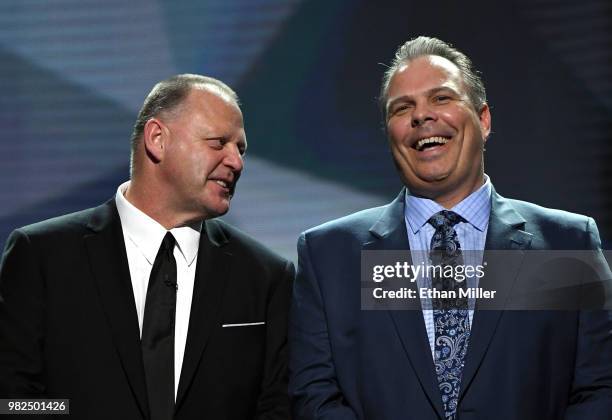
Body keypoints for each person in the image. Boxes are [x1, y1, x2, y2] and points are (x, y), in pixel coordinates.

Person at [289, 37, 612, 419]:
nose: (421, 116)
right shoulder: (328, 254)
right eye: (402, 107)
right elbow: (314, 397)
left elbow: (600, 387)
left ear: (484, 119)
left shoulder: (567, 241)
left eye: (441, 98)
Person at [0, 74, 293, 420]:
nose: (237, 162)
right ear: (157, 139)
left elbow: (276, 408)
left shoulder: (265, 276)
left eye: (240, 149)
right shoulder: (42, 255)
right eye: (219, 143)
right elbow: (13, 400)